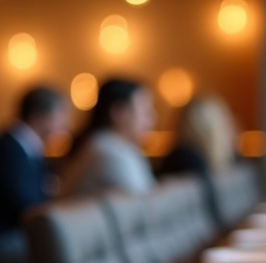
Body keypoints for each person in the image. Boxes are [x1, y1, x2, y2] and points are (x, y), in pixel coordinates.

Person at [0, 86, 70, 259]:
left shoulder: (22, 145)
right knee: (65, 247)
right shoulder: (7, 150)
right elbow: (26, 208)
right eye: (61, 115)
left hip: (13, 232)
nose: (66, 124)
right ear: (39, 117)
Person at [60, 77, 157, 197]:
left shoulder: (115, 146)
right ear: (118, 112)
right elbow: (145, 205)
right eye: (145, 111)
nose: (152, 120)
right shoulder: (108, 152)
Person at [160, 94, 239, 224]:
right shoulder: (187, 160)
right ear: (210, 128)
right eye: (224, 123)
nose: (229, 130)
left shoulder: (190, 156)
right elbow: (211, 213)